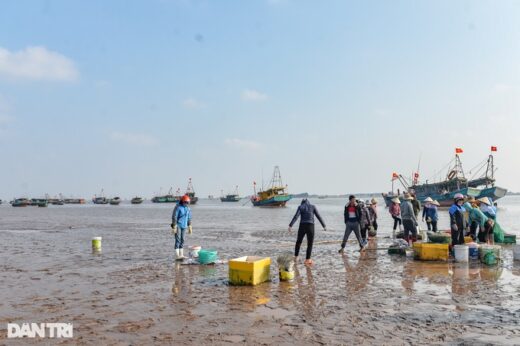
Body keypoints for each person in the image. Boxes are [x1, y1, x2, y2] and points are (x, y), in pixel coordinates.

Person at [288, 199, 327, 266]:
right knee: (310, 243)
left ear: (302, 203)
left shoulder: (300, 207)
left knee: (298, 242)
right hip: (310, 226)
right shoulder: (313, 206)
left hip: (302, 226)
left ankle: (296, 257)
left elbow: (296, 216)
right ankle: (307, 260)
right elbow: (318, 216)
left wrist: (290, 225)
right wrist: (324, 226)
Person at [171, 194, 193, 260]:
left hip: (184, 226)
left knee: (182, 239)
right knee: (177, 240)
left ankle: (181, 254)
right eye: (186, 202)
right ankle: (177, 256)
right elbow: (174, 216)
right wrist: (174, 226)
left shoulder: (188, 208)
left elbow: (189, 217)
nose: (187, 203)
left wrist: (189, 226)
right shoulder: (178, 207)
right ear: (183, 201)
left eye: (188, 202)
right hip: (178, 225)